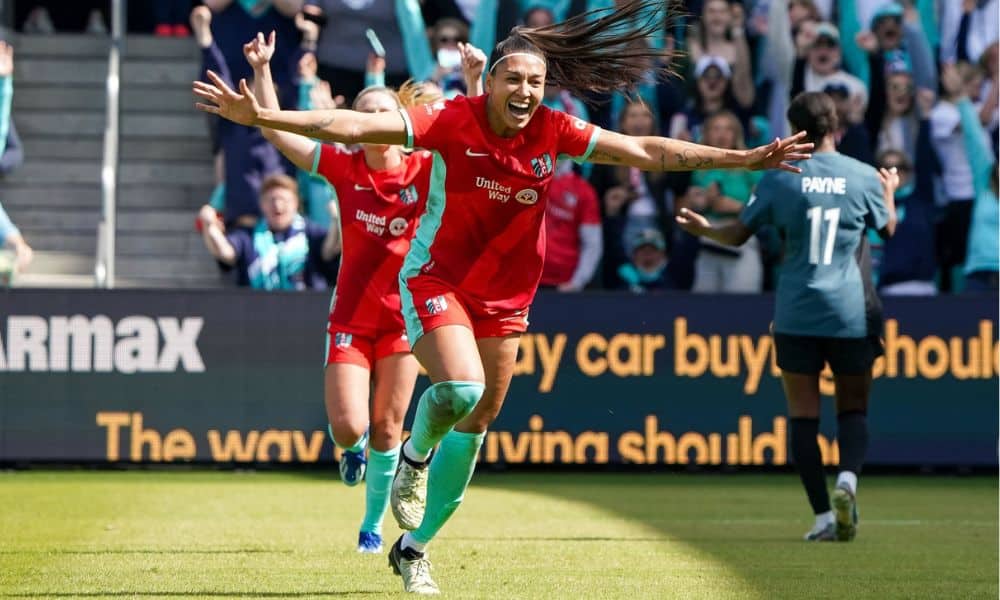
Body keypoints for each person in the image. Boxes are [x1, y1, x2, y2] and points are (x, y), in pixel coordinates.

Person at [193, 1, 811, 592]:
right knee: (459, 391)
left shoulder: (553, 128)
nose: (526, 91)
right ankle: (412, 456)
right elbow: (354, 123)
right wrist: (266, 117)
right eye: (513, 78)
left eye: (536, 81)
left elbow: (646, 151)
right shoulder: (451, 120)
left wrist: (745, 157)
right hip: (436, 282)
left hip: (508, 301)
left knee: (481, 420)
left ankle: (413, 549)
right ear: (488, 82)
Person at [242, 31, 472, 554]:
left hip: (404, 320)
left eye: (380, 111)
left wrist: (475, 81)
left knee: (391, 427)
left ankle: (372, 524)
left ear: (397, 122)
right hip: (350, 317)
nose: (370, 120)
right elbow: (280, 133)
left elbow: (470, 138)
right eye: (364, 112)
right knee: (350, 427)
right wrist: (261, 71)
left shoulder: (425, 167)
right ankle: (351, 449)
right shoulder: (345, 169)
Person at [676, 91, 898, 543]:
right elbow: (888, 228)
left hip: (797, 311)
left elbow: (738, 235)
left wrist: (705, 229)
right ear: (836, 127)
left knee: (802, 417)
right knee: (853, 409)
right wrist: (889, 192)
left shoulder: (780, 179)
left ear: (795, 130)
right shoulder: (862, 177)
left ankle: (821, 517)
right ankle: (847, 483)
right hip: (851, 312)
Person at [197, 172, 339, 289]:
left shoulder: (310, 232)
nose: (277, 206)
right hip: (256, 315)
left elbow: (329, 251)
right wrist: (209, 226)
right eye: (271, 200)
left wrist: (337, 221)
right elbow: (226, 253)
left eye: (284, 200)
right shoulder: (248, 235)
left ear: (296, 203)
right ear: (262, 205)